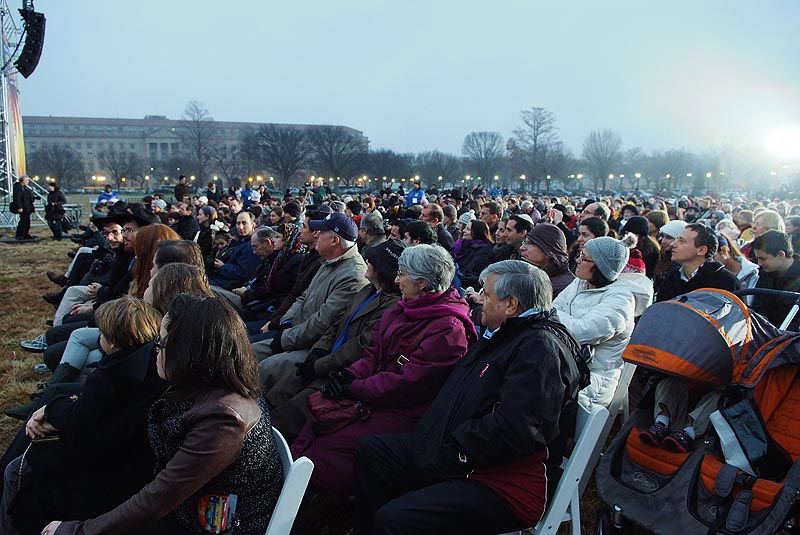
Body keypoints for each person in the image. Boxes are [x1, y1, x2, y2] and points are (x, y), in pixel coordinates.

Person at [354, 260, 582, 535]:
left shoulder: (539, 350)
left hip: (501, 482)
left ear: (510, 305)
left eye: (487, 295)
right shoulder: (506, 334)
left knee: (394, 519)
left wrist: (452, 452)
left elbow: (516, 430)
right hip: (458, 454)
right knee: (372, 451)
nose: (479, 301)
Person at [43, 295, 283, 535]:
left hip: (203, 524)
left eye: (161, 342)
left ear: (188, 352)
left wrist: (75, 531)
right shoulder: (205, 387)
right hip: (186, 510)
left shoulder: (223, 419)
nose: (154, 350)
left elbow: (158, 499)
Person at [291, 244, 477, 493]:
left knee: (329, 445)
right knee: (317, 410)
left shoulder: (449, 330)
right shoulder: (401, 309)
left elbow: (408, 383)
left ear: (421, 283)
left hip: (405, 412)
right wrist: (348, 375)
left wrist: (354, 387)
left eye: (402, 274)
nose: (397, 280)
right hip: (375, 396)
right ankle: (288, 489)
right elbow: (372, 355)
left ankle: (306, 502)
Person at [0, 297, 167, 535]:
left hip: (108, 474)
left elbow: (82, 427)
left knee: (17, 470)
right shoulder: (151, 365)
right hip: (132, 464)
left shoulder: (113, 376)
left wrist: (50, 411)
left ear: (111, 342)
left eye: (102, 333)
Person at [265, 239, 406, 441]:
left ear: (382, 269)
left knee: (287, 417)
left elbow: (358, 347)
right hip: (322, 359)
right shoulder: (367, 291)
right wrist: (318, 350)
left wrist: (318, 366)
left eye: (372, 260)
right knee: (277, 394)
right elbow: (337, 323)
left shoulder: (390, 306)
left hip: (337, 374)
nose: (367, 261)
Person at [252, 212, 368, 362]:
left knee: (251, 357)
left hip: (310, 348)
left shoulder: (353, 275)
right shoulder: (329, 260)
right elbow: (303, 296)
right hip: (293, 333)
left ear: (334, 240)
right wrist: (286, 322)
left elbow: (322, 323)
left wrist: (284, 339)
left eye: (321, 231)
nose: (316, 234)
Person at [554, 237, 653, 409]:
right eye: (579, 254)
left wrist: (552, 316)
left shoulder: (621, 299)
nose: (577, 260)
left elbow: (582, 332)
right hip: (564, 363)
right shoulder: (581, 282)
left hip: (594, 378)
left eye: (583, 258)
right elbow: (552, 308)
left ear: (601, 266)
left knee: (541, 389)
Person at [656, 223, 740, 302]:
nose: (673, 244)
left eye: (682, 241)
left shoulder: (726, 282)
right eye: (676, 239)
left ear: (701, 250)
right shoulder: (673, 277)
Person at [752, 230, 800, 329]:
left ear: (781, 255)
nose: (759, 263)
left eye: (763, 259)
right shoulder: (765, 274)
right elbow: (758, 307)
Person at [209, 211, 262, 289]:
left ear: (253, 225)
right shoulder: (240, 240)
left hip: (233, 285)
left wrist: (223, 266)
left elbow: (244, 274)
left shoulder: (252, 245)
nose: (240, 227)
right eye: (238, 223)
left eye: (244, 223)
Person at [519, 222, 574, 297]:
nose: (522, 247)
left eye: (529, 243)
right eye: (524, 242)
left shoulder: (565, 287)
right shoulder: (538, 275)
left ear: (548, 250)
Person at [455, 220, 495, 290]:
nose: (463, 230)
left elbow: (470, 273)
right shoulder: (463, 245)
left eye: (468, 229)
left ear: (477, 232)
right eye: (465, 228)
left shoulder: (484, 251)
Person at [11, 175, 35, 240]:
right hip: (23, 207)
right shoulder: (18, 186)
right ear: (23, 180)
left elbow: (26, 196)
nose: (28, 182)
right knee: (23, 221)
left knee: (27, 222)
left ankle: (25, 234)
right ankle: (20, 235)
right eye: (27, 180)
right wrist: (19, 207)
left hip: (26, 207)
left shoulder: (23, 187)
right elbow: (17, 197)